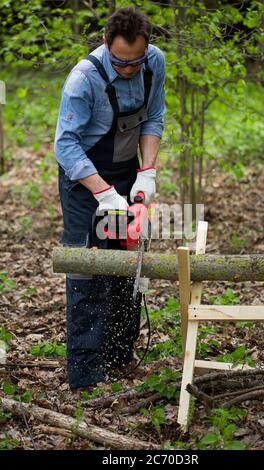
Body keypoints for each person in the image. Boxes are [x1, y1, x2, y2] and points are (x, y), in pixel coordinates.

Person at [54, 7, 166, 390]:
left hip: (126, 171)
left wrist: (146, 172)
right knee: (88, 267)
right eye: (121, 62)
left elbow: (153, 117)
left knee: (125, 263)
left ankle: (119, 356)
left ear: (147, 49)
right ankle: (85, 374)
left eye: (136, 61)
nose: (129, 68)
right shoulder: (83, 79)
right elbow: (65, 146)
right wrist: (103, 193)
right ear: (105, 45)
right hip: (84, 179)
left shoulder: (154, 65)